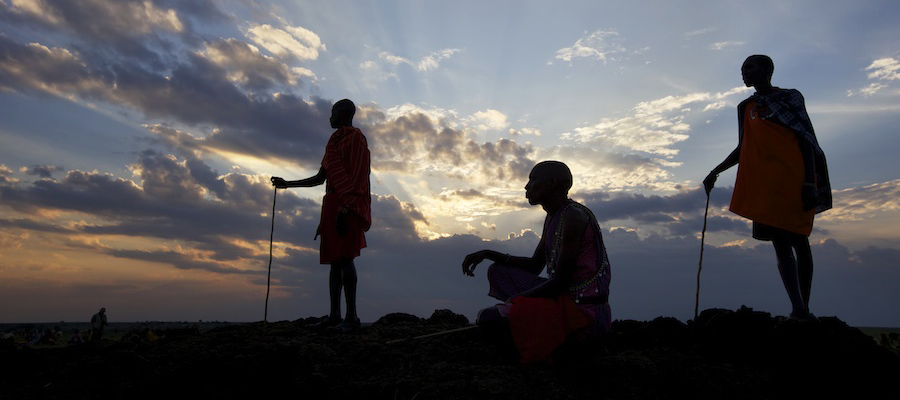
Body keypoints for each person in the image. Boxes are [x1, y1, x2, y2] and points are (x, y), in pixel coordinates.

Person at [704, 54, 831, 321]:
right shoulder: (745, 106)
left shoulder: (790, 97)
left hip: (794, 178)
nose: (743, 73)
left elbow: (805, 139)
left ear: (767, 70)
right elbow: (743, 148)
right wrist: (715, 171)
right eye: (742, 69)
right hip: (765, 184)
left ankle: (803, 308)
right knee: (780, 244)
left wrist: (810, 181)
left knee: (799, 239)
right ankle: (798, 308)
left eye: (749, 67)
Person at [461, 161, 612, 363]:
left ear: (550, 183)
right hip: (563, 298)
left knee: (489, 319)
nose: (526, 186)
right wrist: (488, 253)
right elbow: (534, 265)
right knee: (498, 271)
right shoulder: (554, 216)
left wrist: (515, 301)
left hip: (583, 313)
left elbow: (560, 283)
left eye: (532, 179)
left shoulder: (573, 217)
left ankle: (545, 347)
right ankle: (527, 324)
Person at [272, 99, 371, 332]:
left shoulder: (356, 138)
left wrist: (346, 208)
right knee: (334, 262)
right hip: (331, 203)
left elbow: (359, 177)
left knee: (346, 258)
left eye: (333, 112)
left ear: (344, 113)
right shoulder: (334, 141)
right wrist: (288, 184)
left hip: (349, 204)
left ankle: (351, 318)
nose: (330, 117)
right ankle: (335, 315)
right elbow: (320, 178)